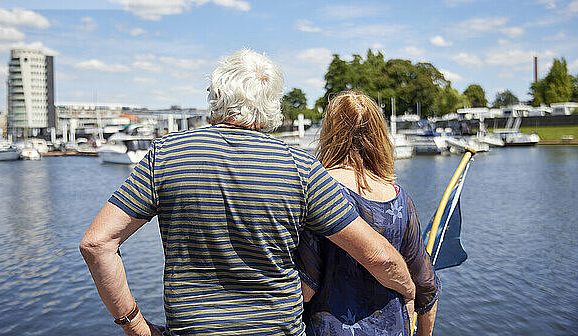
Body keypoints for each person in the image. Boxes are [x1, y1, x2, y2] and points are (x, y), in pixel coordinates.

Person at [80, 49, 415, 336]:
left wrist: (133, 324)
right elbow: (377, 256)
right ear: (272, 106)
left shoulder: (166, 154)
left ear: (214, 95)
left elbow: (97, 244)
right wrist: (409, 287)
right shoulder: (299, 166)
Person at [295, 90, 441, 336]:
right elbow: (426, 287)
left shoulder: (318, 190)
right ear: (379, 135)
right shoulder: (401, 198)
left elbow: (306, 287)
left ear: (329, 133)